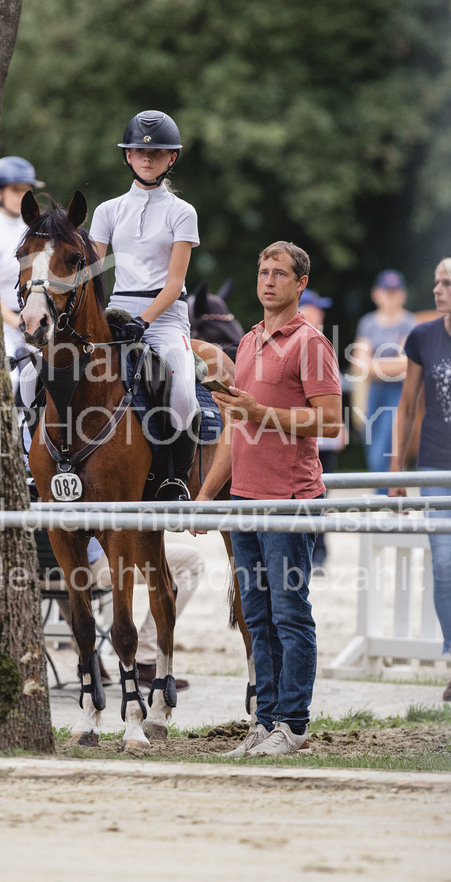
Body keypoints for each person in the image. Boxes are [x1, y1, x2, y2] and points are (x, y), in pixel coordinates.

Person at [195, 242, 342, 757]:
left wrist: (262, 414)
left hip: (290, 498)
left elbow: (330, 422)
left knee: (289, 613)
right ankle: (265, 721)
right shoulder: (248, 342)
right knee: (255, 615)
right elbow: (235, 430)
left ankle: (293, 724)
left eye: (280, 273)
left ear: (301, 284)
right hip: (243, 498)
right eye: (263, 271)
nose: (269, 280)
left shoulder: (311, 343)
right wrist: (206, 495)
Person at [89, 110, 200, 500]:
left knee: (183, 395)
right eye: (139, 151)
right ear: (128, 156)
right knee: (52, 372)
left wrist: (144, 321)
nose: (147, 158)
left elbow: (175, 283)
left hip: (165, 317)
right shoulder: (107, 211)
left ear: (172, 158)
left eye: (157, 153)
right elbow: (92, 275)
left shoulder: (182, 212)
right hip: (116, 313)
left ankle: (175, 478)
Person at [388, 258, 451, 702]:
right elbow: (407, 405)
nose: (437, 289)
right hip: (434, 464)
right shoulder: (423, 337)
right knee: (444, 563)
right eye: (436, 282)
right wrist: (397, 468)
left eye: (446, 283)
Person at [53, 536, 204, 690]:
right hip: (90, 569)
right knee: (192, 561)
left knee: (62, 550)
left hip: (46, 577)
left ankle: (90, 659)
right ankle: (145, 658)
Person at [350, 270, 417, 487]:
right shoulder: (368, 322)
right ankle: (383, 495)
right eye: (387, 291)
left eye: (395, 291)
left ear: (402, 294)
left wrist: (373, 365)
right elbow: (359, 363)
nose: (390, 296)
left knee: (388, 448)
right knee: (372, 448)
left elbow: (407, 365)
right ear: (376, 294)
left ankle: (386, 495)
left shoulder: (409, 322)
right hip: (374, 393)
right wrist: (391, 365)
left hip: (398, 393)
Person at [298, 288, 346, 568]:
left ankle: (320, 550)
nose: (322, 314)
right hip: (310, 435)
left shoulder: (322, 341)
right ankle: (314, 550)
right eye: (317, 308)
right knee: (311, 494)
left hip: (326, 435)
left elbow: (334, 391)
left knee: (323, 495)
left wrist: (341, 424)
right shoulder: (305, 343)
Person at [0, 156, 44, 398]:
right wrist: (16, 321)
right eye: (15, 190)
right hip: (2, 323)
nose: (22, 196)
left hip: (35, 319)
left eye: (27, 190)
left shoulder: (35, 229)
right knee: (12, 378)